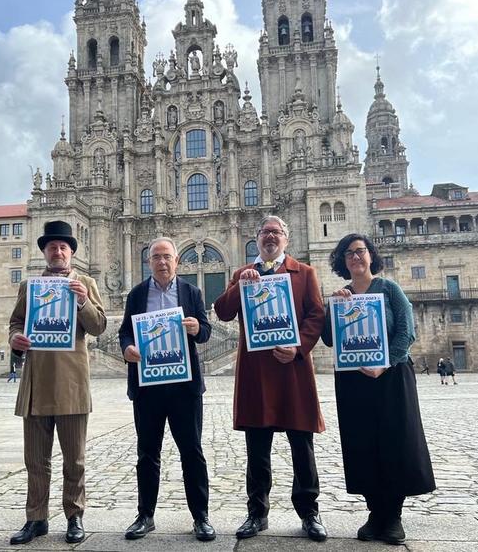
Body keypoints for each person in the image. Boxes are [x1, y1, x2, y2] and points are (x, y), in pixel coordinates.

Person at [214, 215, 328, 542]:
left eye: (276, 232)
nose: (270, 237)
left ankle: (309, 513)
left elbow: (316, 315)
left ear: (285, 239)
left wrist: (298, 346)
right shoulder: (242, 275)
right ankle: (257, 513)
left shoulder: (304, 273)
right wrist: (240, 286)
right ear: (257, 238)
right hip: (257, 373)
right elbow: (222, 311)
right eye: (265, 232)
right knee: (257, 449)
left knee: (301, 446)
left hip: (292, 369)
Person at [321, 233, 435, 545]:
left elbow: (406, 331)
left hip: (391, 377)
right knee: (363, 444)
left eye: (360, 251)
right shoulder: (341, 295)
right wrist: (333, 309)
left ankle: (393, 517)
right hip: (354, 380)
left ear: (371, 255)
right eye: (349, 254)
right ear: (342, 262)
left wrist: (385, 363)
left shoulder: (389, 289)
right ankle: (374, 513)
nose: (355, 258)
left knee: (394, 442)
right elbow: (330, 339)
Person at [8, 221, 107, 546]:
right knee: (35, 460)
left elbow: (98, 327)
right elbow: (16, 321)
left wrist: (82, 302)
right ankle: (35, 519)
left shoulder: (86, 283)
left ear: (71, 253)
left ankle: (74, 516)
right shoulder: (29, 286)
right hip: (36, 384)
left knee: (74, 459)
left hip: (72, 383)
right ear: (45, 252)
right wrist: (15, 339)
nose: (58, 251)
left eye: (63, 247)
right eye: (52, 247)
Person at [118, 237, 216, 542]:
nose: (162, 262)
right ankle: (145, 515)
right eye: (156, 257)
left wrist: (198, 329)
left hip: (184, 388)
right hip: (148, 388)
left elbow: (206, 331)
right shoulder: (136, 294)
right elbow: (124, 332)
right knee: (147, 453)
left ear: (177, 261)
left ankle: (201, 517)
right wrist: (128, 348)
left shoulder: (192, 292)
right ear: (149, 262)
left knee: (192, 452)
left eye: (167, 257)